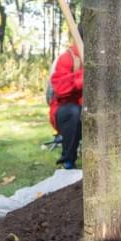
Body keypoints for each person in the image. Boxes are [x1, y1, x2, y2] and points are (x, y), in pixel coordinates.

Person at [48, 41, 82, 169]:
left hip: (93, 112)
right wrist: (82, 78)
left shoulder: (105, 55)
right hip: (67, 113)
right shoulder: (68, 58)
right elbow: (59, 88)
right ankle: (68, 159)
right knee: (74, 112)